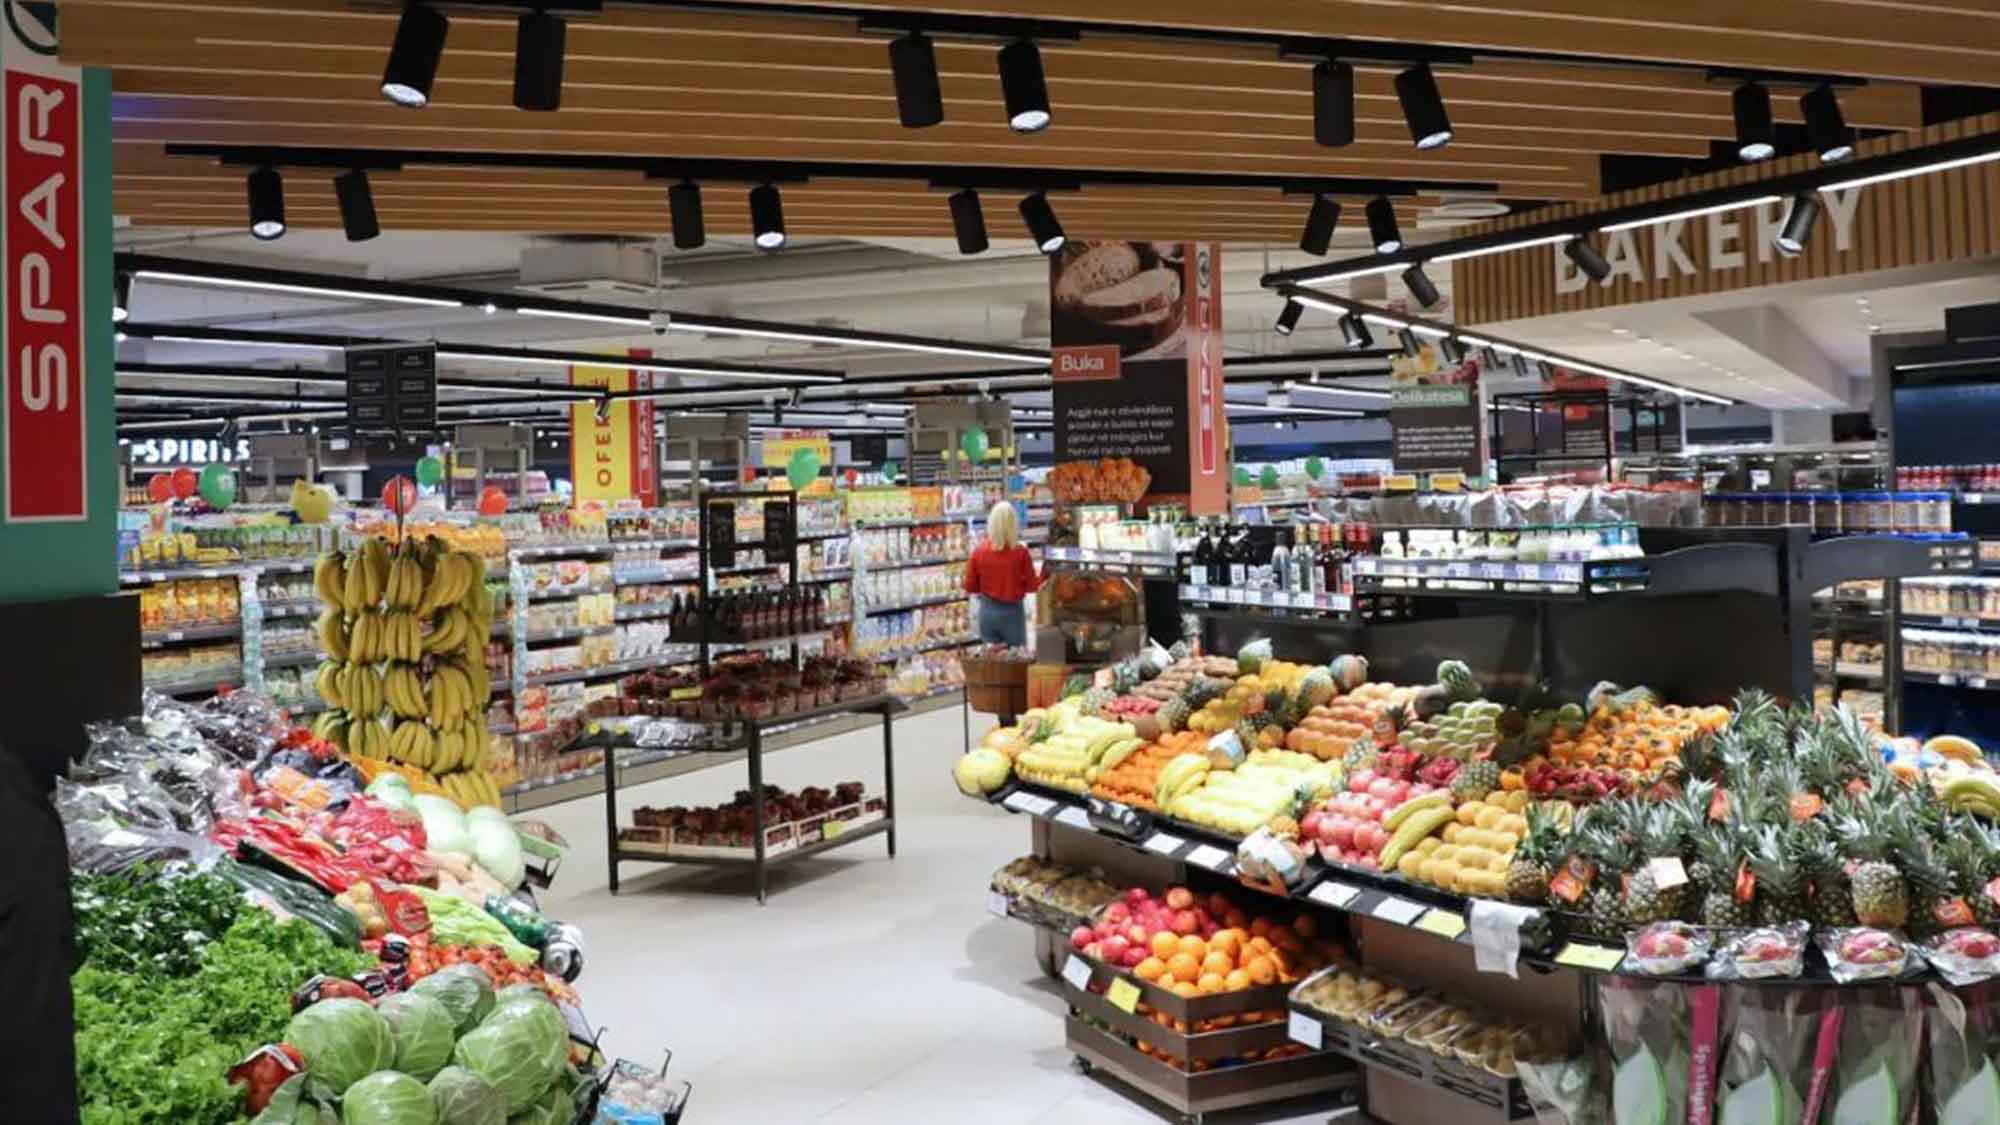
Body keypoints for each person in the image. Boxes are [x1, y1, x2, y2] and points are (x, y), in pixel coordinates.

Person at [965, 500, 1039, 650]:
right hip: (1013, 614)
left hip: (988, 612)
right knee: (1016, 659)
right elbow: (1032, 586)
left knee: (991, 659)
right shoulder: (1021, 553)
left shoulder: (979, 552)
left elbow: (970, 586)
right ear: (1013, 524)